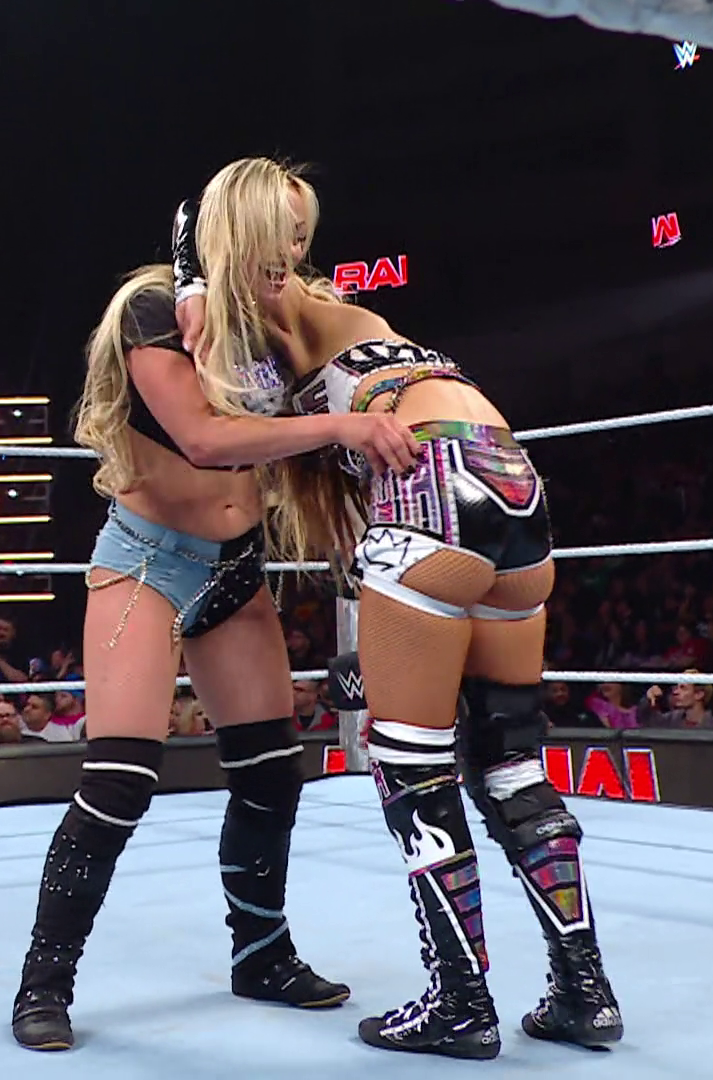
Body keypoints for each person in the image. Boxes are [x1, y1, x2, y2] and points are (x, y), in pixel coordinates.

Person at [172, 157, 622, 1058]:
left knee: (411, 762)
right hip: (508, 469)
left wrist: (190, 271)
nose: (293, 250)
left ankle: (460, 1000)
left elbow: (216, 414)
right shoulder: (339, 317)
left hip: (430, 484)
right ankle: (586, 992)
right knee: (511, 757)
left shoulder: (241, 319)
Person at [6, 169, 416, 1053]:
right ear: (241, 228)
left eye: (304, 236)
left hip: (235, 567)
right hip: (147, 564)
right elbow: (203, 438)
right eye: (282, 234)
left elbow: (371, 348)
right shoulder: (152, 310)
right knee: (119, 781)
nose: (296, 254)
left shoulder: (281, 315)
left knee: (272, 773)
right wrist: (340, 428)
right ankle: (44, 981)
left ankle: (261, 955)